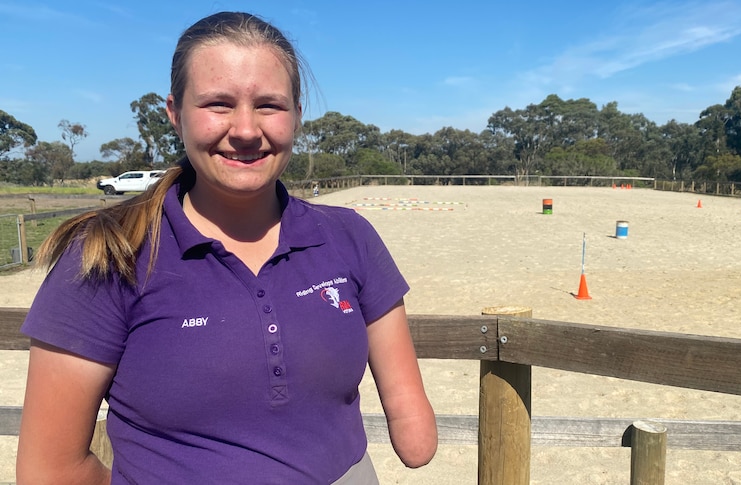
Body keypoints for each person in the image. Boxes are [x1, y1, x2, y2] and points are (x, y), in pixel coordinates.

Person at [16, 11, 437, 484]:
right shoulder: (107, 255)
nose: (245, 129)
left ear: (297, 115)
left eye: (269, 105)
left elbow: (416, 438)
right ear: (175, 115)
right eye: (218, 103)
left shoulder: (349, 237)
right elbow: (51, 469)